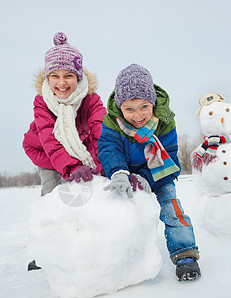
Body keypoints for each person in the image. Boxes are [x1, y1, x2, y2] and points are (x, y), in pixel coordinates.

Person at [97, 64, 201, 281]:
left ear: (153, 102)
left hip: (158, 172)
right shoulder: (112, 123)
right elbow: (109, 148)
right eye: (129, 109)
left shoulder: (164, 122)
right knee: (116, 210)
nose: (137, 115)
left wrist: (146, 177)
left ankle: (185, 253)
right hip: (124, 174)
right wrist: (118, 172)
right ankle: (118, 258)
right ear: (120, 107)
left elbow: (169, 156)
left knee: (171, 207)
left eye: (144, 107)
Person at [23, 32, 106, 270]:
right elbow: (49, 138)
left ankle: (83, 242)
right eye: (55, 76)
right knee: (53, 196)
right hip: (46, 153)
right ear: (47, 78)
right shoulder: (43, 102)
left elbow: (101, 133)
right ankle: (43, 251)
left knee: (83, 194)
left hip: (79, 150)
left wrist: (102, 165)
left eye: (69, 75)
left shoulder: (91, 100)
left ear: (78, 77)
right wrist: (70, 167)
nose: (62, 83)